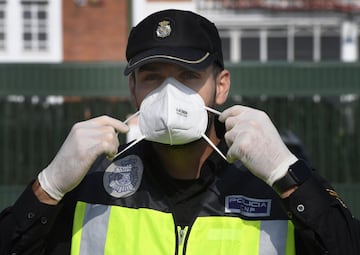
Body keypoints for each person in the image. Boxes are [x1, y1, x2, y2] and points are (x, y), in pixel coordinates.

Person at [0, 9, 359, 255]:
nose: (169, 94)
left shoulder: (276, 186)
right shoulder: (92, 185)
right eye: (153, 78)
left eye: (188, 76)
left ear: (221, 86)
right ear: (134, 91)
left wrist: (287, 173)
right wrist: (48, 188)